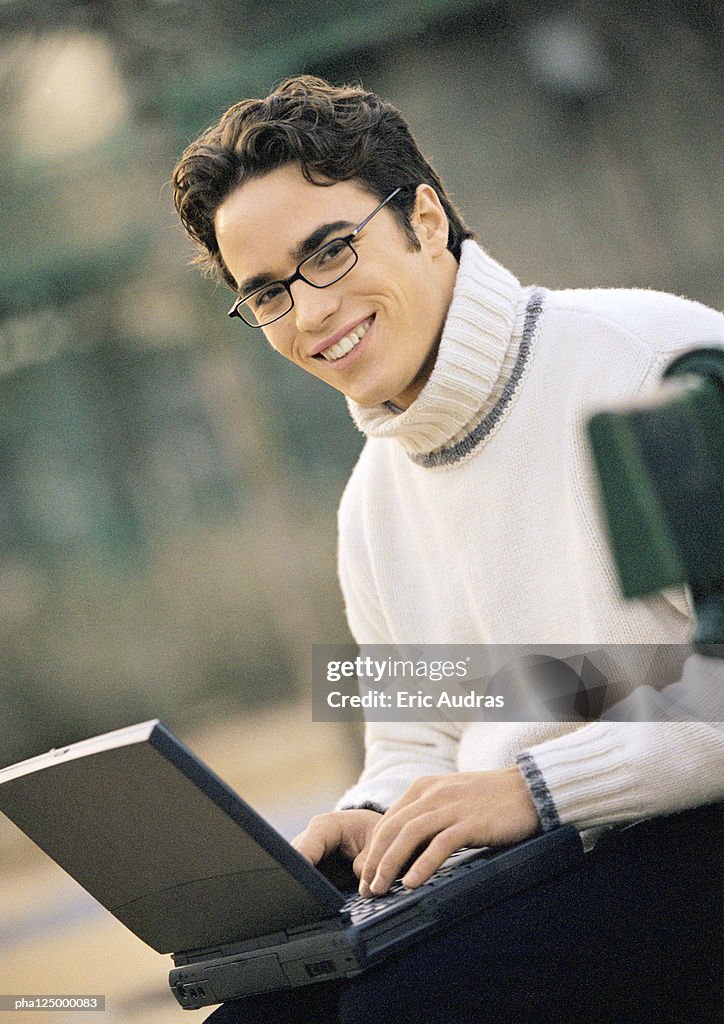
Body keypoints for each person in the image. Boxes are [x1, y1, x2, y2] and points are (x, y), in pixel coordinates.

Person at [171, 76, 723, 1023]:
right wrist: (378, 819)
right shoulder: (371, 503)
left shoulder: (656, 364)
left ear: (425, 219)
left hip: (691, 834)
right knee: (261, 1015)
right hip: (552, 854)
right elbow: (418, 736)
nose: (310, 315)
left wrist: (535, 790)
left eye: (331, 252)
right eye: (267, 293)